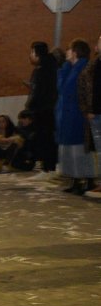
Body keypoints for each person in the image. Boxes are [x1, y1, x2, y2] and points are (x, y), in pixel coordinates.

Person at [56, 39, 98, 195]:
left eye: (68, 49)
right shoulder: (70, 68)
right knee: (69, 150)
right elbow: (61, 88)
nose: (66, 52)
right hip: (67, 115)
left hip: (78, 114)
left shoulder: (85, 68)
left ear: (75, 52)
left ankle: (87, 179)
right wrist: (65, 67)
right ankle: (74, 179)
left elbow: (86, 92)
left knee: (81, 149)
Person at [24, 41, 58, 180]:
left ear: (38, 54)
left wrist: (30, 105)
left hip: (44, 110)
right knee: (47, 138)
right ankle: (48, 167)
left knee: (44, 139)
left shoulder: (42, 70)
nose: (30, 56)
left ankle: (48, 169)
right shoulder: (51, 67)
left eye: (32, 52)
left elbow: (38, 92)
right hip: (48, 109)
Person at [79, 33, 101, 198]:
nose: (97, 44)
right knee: (99, 151)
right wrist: (88, 109)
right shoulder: (95, 65)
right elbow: (87, 88)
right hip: (94, 114)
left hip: (97, 112)